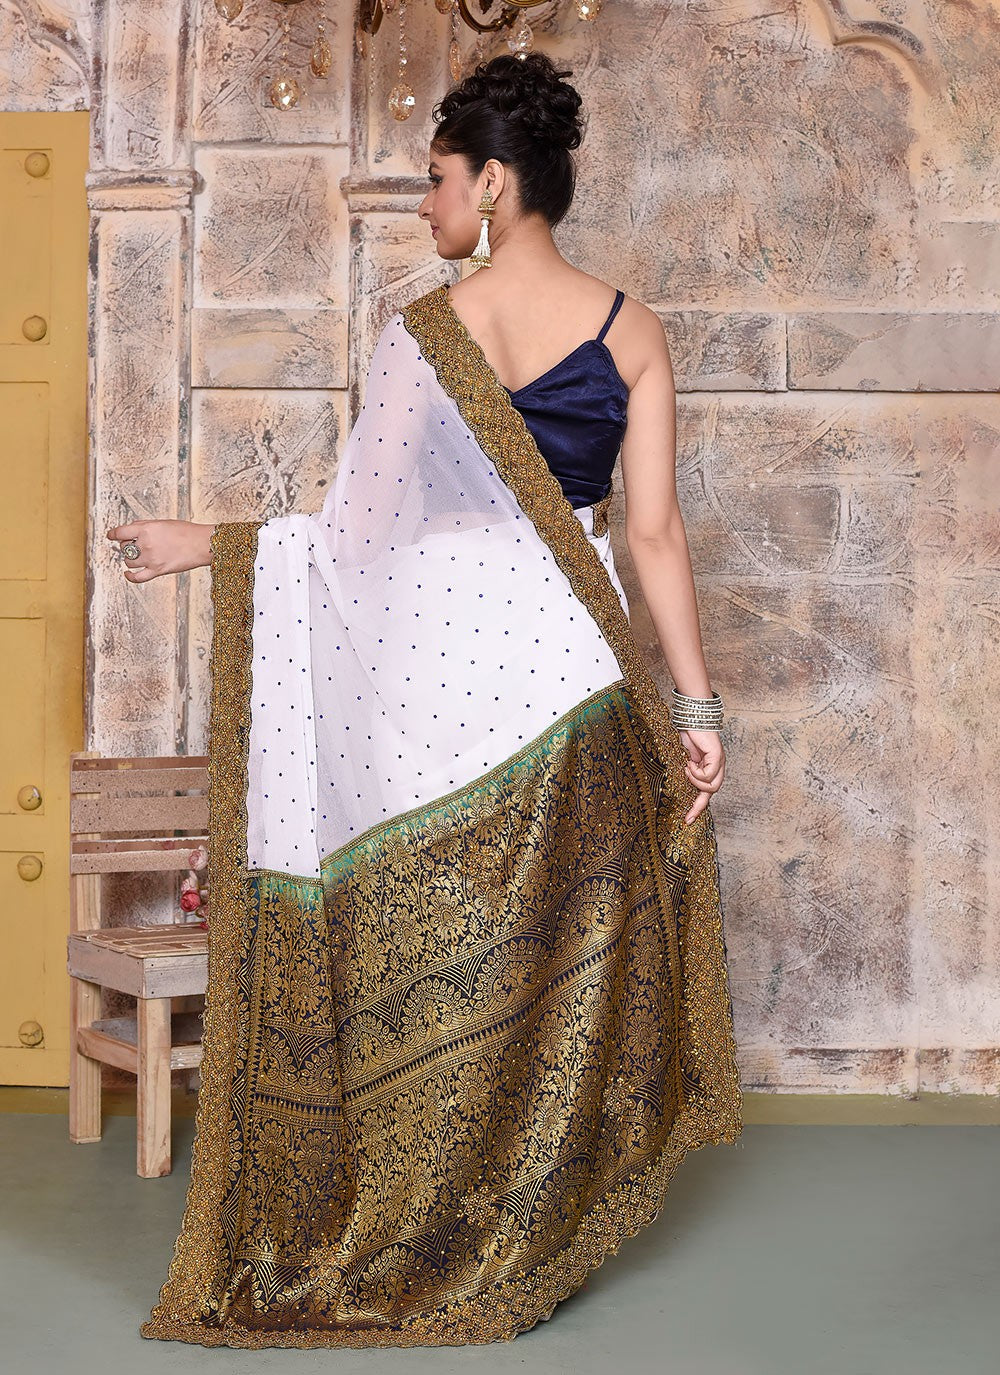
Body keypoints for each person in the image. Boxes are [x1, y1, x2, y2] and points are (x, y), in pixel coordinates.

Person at [114, 52, 742, 1351]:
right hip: (572, 679)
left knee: (432, 952)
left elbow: (357, 543)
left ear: (495, 183)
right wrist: (697, 710)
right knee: (549, 961)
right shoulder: (633, 330)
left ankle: (431, 1226)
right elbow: (655, 536)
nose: (427, 205)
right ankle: (520, 1236)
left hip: (436, 681)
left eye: (441, 179)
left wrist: (210, 546)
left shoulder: (427, 335)